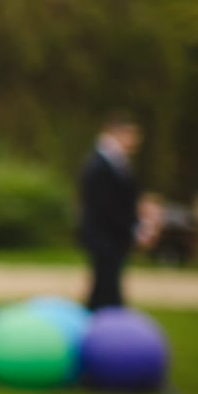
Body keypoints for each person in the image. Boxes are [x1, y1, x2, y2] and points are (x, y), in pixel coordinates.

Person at [78, 113, 143, 310]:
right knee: (105, 284)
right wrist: (130, 227)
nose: (135, 140)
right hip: (104, 235)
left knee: (108, 284)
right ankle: (105, 322)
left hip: (113, 235)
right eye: (131, 134)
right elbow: (104, 205)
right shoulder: (99, 164)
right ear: (117, 133)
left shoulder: (116, 162)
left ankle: (108, 320)